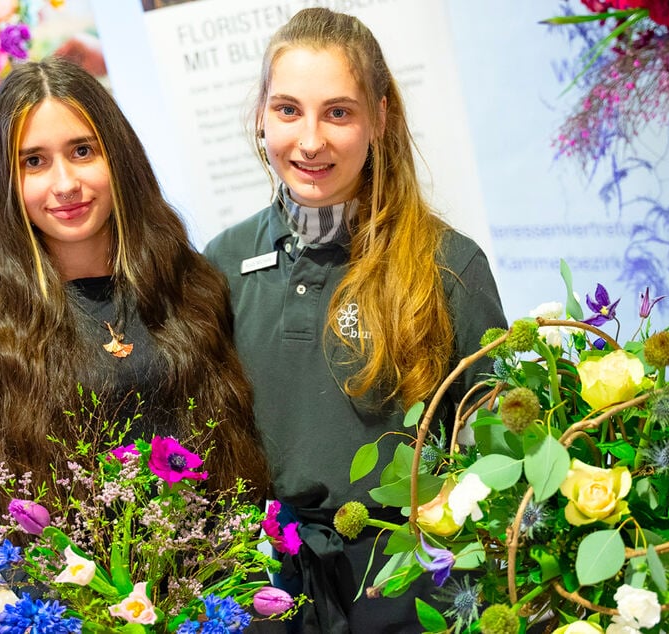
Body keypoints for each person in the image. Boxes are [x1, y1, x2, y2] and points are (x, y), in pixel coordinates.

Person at [203, 9, 507, 633]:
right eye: (288, 109)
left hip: (418, 597)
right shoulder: (219, 265)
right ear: (261, 115)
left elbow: (497, 457)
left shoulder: (447, 266)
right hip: (278, 598)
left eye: (337, 112)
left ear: (380, 118)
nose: (310, 140)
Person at [0, 56, 269, 528]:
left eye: (83, 151)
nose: (65, 183)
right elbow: (8, 529)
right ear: (8, 181)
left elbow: (244, 454)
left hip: (228, 589)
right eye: (34, 161)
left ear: (118, 156)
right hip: (85, 600)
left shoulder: (194, 288)